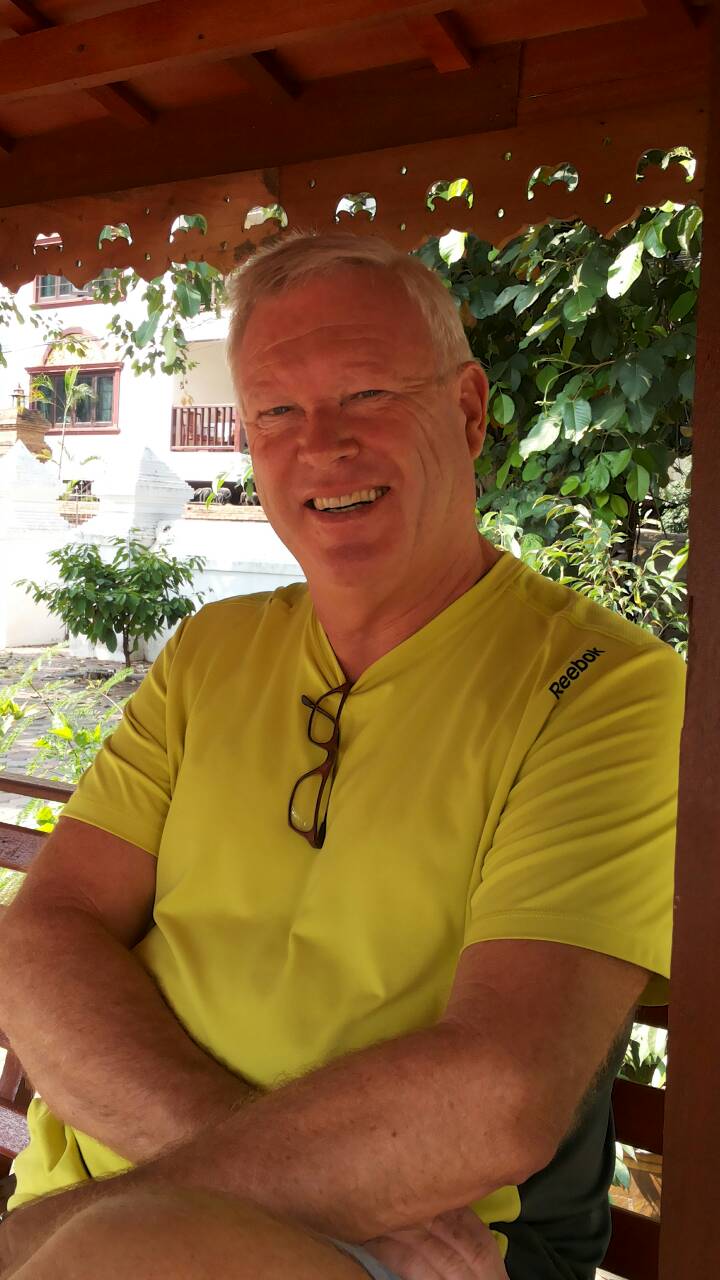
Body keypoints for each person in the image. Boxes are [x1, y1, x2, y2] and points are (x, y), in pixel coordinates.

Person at [0, 233, 684, 1280]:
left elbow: (500, 1088)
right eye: (276, 411)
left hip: (426, 1250)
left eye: (366, 393)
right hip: (155, 1211)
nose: (321, 445)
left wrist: (57, 1231)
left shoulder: (603, 685)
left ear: (468, 410)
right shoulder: (211, 652)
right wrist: (314, 1185)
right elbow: (41, 940)